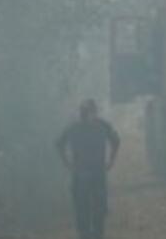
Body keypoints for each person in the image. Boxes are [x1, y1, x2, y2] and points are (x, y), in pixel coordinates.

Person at [56, 99, 120, 239]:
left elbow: (59, 144)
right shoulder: (98, 125)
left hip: (87, 172)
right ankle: (88, 233)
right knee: (88, 206)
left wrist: (67, 163)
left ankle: (91, 233)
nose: (88, 116)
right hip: (88, 173)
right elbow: (116, 141)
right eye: (87, 113)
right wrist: (111, 161)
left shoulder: (77, 126)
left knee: (89, 206)